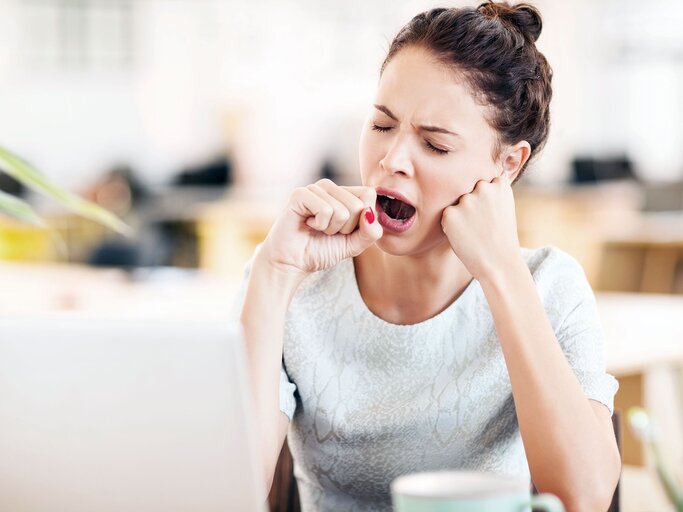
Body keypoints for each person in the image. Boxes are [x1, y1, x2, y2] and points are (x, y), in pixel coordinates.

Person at [233, 2, 621, 511]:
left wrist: (501, 272)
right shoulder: (294, 282)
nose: (391, 161)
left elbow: (584, 496)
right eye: (380, 126)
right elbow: (229, 491)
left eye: (435, 145)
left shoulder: (549, 285)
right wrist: (274, 272)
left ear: (506, 165)